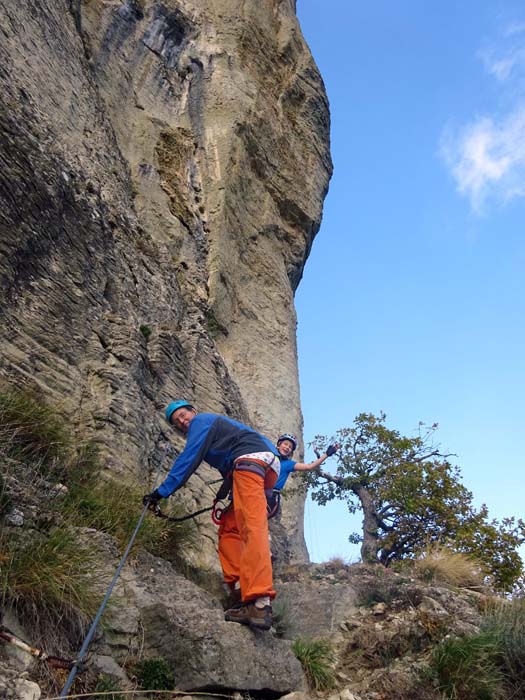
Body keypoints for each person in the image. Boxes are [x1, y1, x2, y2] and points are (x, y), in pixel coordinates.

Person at [143, 400, 281, 631]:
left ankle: (259, 603)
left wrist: (160, 493)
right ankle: (240, 591)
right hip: (255, 466)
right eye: (178, 421)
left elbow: (189, 459)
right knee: (230, 528)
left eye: (183, 415)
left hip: (250, 462)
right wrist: (223, 496)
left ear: (193, 411)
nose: (183, 421)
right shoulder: (217, 429)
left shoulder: (202, 421)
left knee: (251, 527)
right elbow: (230, 466)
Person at [274, 433, 339, 493]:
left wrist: (327, 454)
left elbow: (309, 467)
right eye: (285, 444)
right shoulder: (269, 456)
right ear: (279, 444)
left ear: (291, 452)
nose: (287, 447)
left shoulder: (288, 464)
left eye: (290, 447)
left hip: (271, 496)